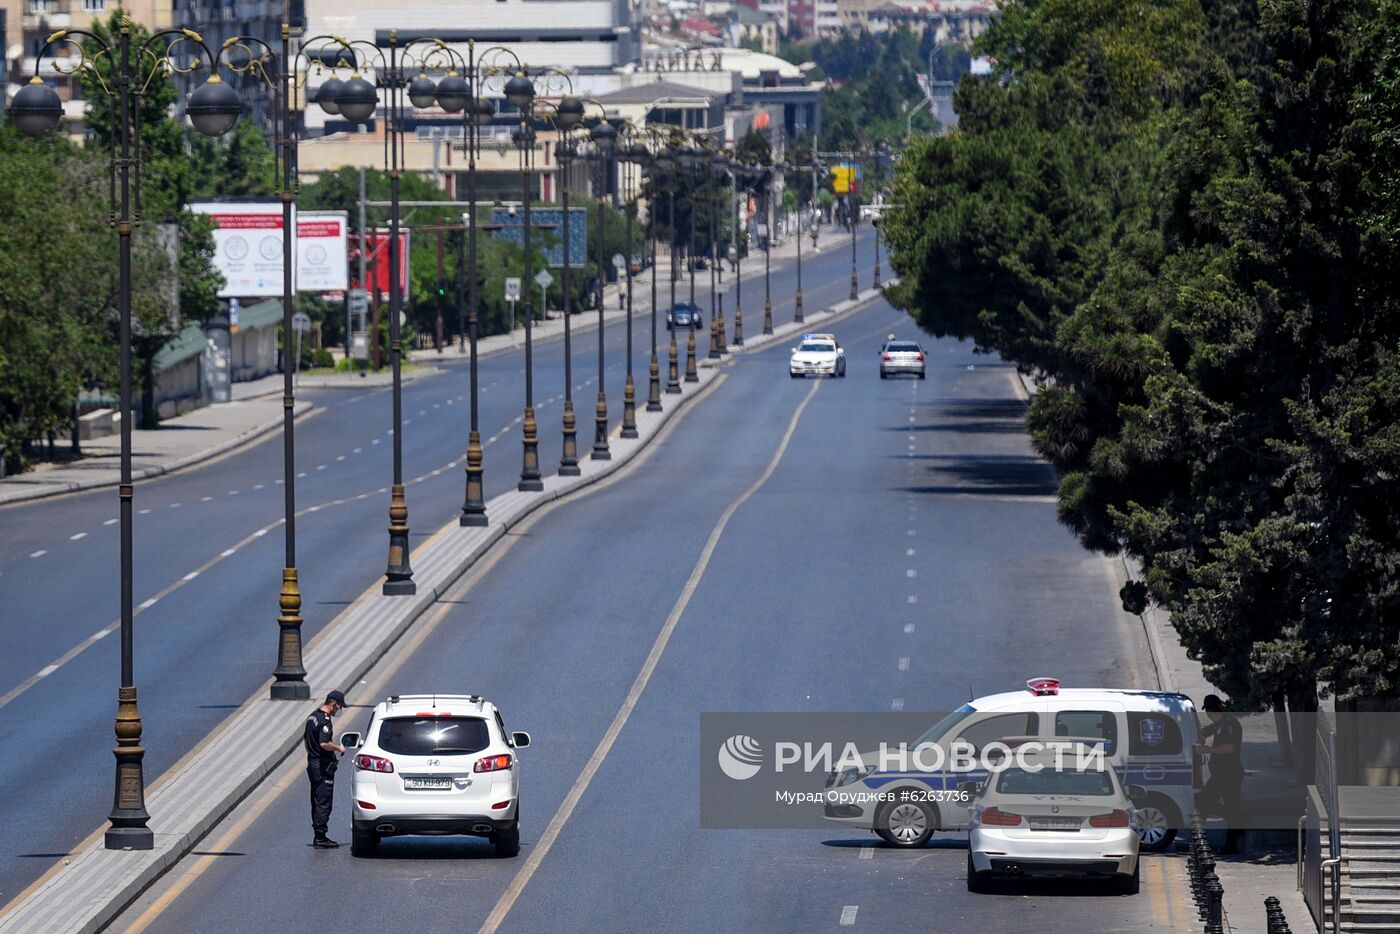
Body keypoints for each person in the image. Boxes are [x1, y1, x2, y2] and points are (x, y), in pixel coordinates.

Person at [1195, 694, 1245, 854]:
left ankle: (1231, 840)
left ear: (1210, 711)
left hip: (1229, 773)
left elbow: (1230, 748)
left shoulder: (1231, 724)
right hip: (1220, 773)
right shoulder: (1220, 723)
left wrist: (1207, 750)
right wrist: (1201, 736)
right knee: (1207, 801)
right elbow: (1206, 731)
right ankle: (1234, 827)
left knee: (1207, 801)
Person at [305, 690, 347, 849]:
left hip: (312, 762)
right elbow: (324, 743)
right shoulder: (325, 721)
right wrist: (338, 748)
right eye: (340, 706)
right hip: (322, 765)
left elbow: (306, 740)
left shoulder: (312, 716)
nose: (339, 710)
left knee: (315, 799)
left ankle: (318, 834)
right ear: (334, 704)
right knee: (324, 801)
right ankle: (321, 837)